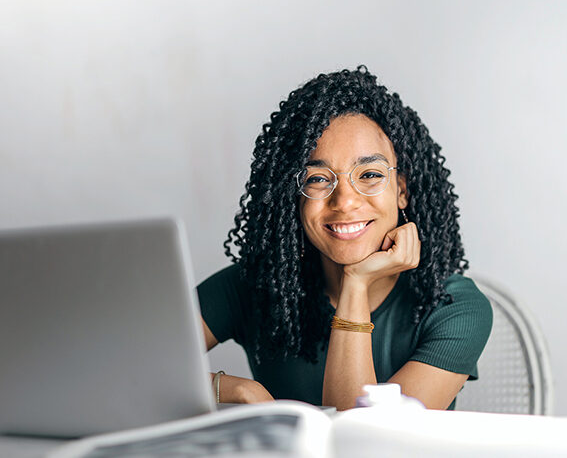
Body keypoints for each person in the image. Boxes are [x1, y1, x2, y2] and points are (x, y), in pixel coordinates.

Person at [198, 66, 493, 411]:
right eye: (318, 179)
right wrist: (235, 390)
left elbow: (365, 444)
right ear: (293, 195)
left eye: (369, 174)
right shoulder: (255, 285)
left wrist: (356, 282)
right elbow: (127, 366)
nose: (345, 201)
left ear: (402, 190)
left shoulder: (454, 307)